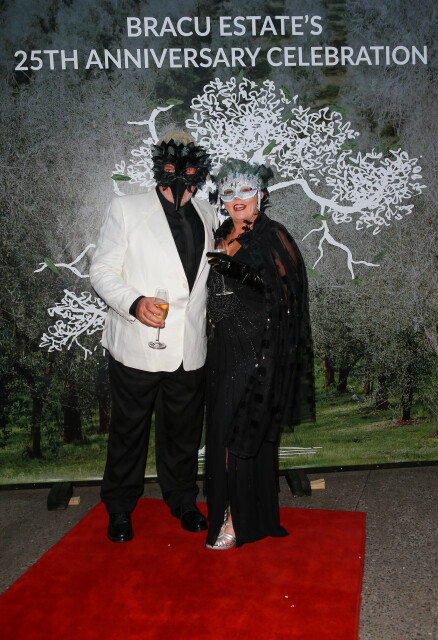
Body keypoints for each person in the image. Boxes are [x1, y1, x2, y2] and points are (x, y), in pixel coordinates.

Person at [90, 131, 217, 542]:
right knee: (129, 431)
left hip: (188, 347)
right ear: (161, 166)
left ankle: (182, 499)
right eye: (173, 167)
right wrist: (134, 302)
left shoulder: (206, 213)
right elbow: (101, 270)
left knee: (184, 431)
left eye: (190, 169)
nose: (181, 177)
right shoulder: (126, 209)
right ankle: (119, 507)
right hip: (137, 344)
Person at [204, 160, 315, 550]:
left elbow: (289, 294)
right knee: (222, 435)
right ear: (221, 198)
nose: (237, 198)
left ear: (261, 195)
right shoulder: (220, 234)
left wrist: (241, 274)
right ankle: (235, 508)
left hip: (257, 351)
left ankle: (238, 519)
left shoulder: (272, 234)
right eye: (229, 191)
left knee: (242, 435)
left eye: (246, 190)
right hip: (222, 351)